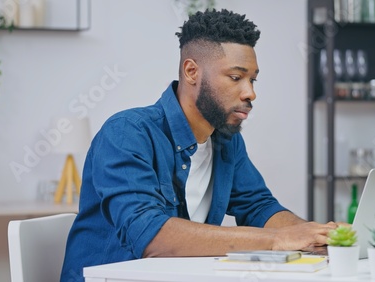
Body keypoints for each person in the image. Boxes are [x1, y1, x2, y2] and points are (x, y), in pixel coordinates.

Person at [61, 9, 338, 281]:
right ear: (192, 71)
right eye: (235, 77)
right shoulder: (126, 133)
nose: (250, 92)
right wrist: (279, 240)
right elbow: (150, 236)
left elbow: (259, 207)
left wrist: (323, 236)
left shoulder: (226, 141)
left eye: (252, 79)